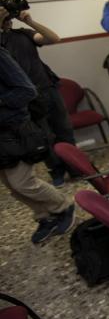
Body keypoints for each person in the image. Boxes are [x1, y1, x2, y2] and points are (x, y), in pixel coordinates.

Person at [0, 47, 75, 244]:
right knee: (13, 187)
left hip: (13, 131)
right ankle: (44, 216)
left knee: (23, 182)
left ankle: (63, 205)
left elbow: (26, 90)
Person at [1, 5, 75, 186]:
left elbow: (53, 38)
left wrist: (30, 22)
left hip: (48, 87)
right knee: (44, 136)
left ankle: (75, 166)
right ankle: (56, 170)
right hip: (26, 97)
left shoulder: (23, 33)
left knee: (64, 129)